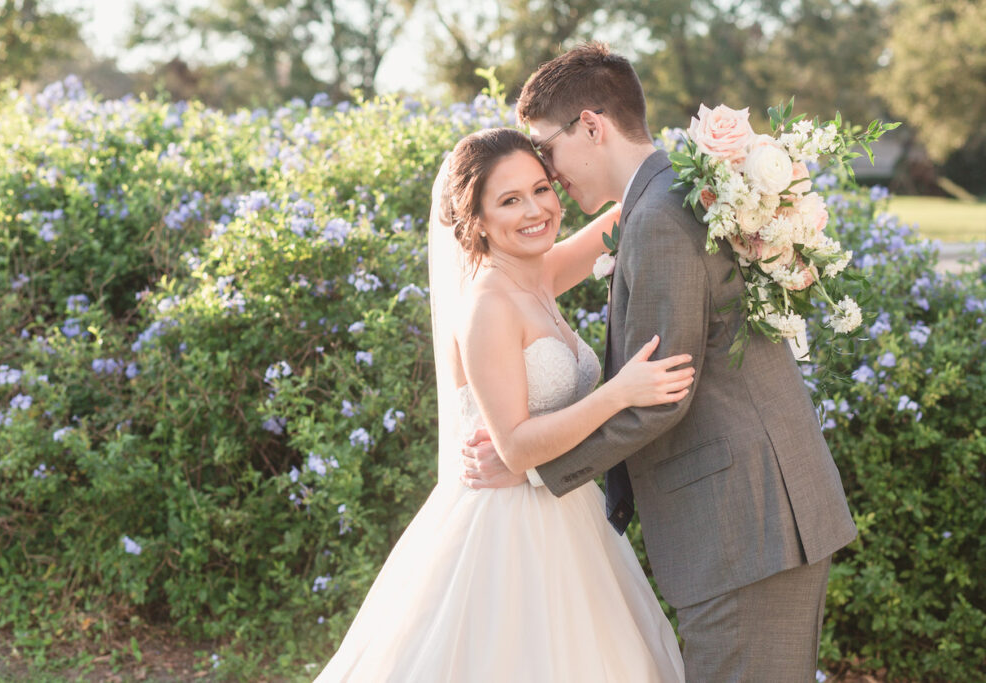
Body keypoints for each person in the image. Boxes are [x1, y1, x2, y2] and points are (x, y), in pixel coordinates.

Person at [462, 42, 857, 683]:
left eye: (548, 151)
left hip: (743, 527)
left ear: (590, 125)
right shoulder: (676, 193)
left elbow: (661, 393)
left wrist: (531, 467)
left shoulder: (659, 217)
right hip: (756, 521)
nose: (550, 173)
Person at [314, 127, 691, 682]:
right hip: (506, 529)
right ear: (476, 220)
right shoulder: (487, 305)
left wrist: (720, 169)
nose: (536, 209)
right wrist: (620, 392)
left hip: (567, 511)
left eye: (542, 189)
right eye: (509, 200)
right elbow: (513, 447)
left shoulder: (540, 273)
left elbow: (632, 206)